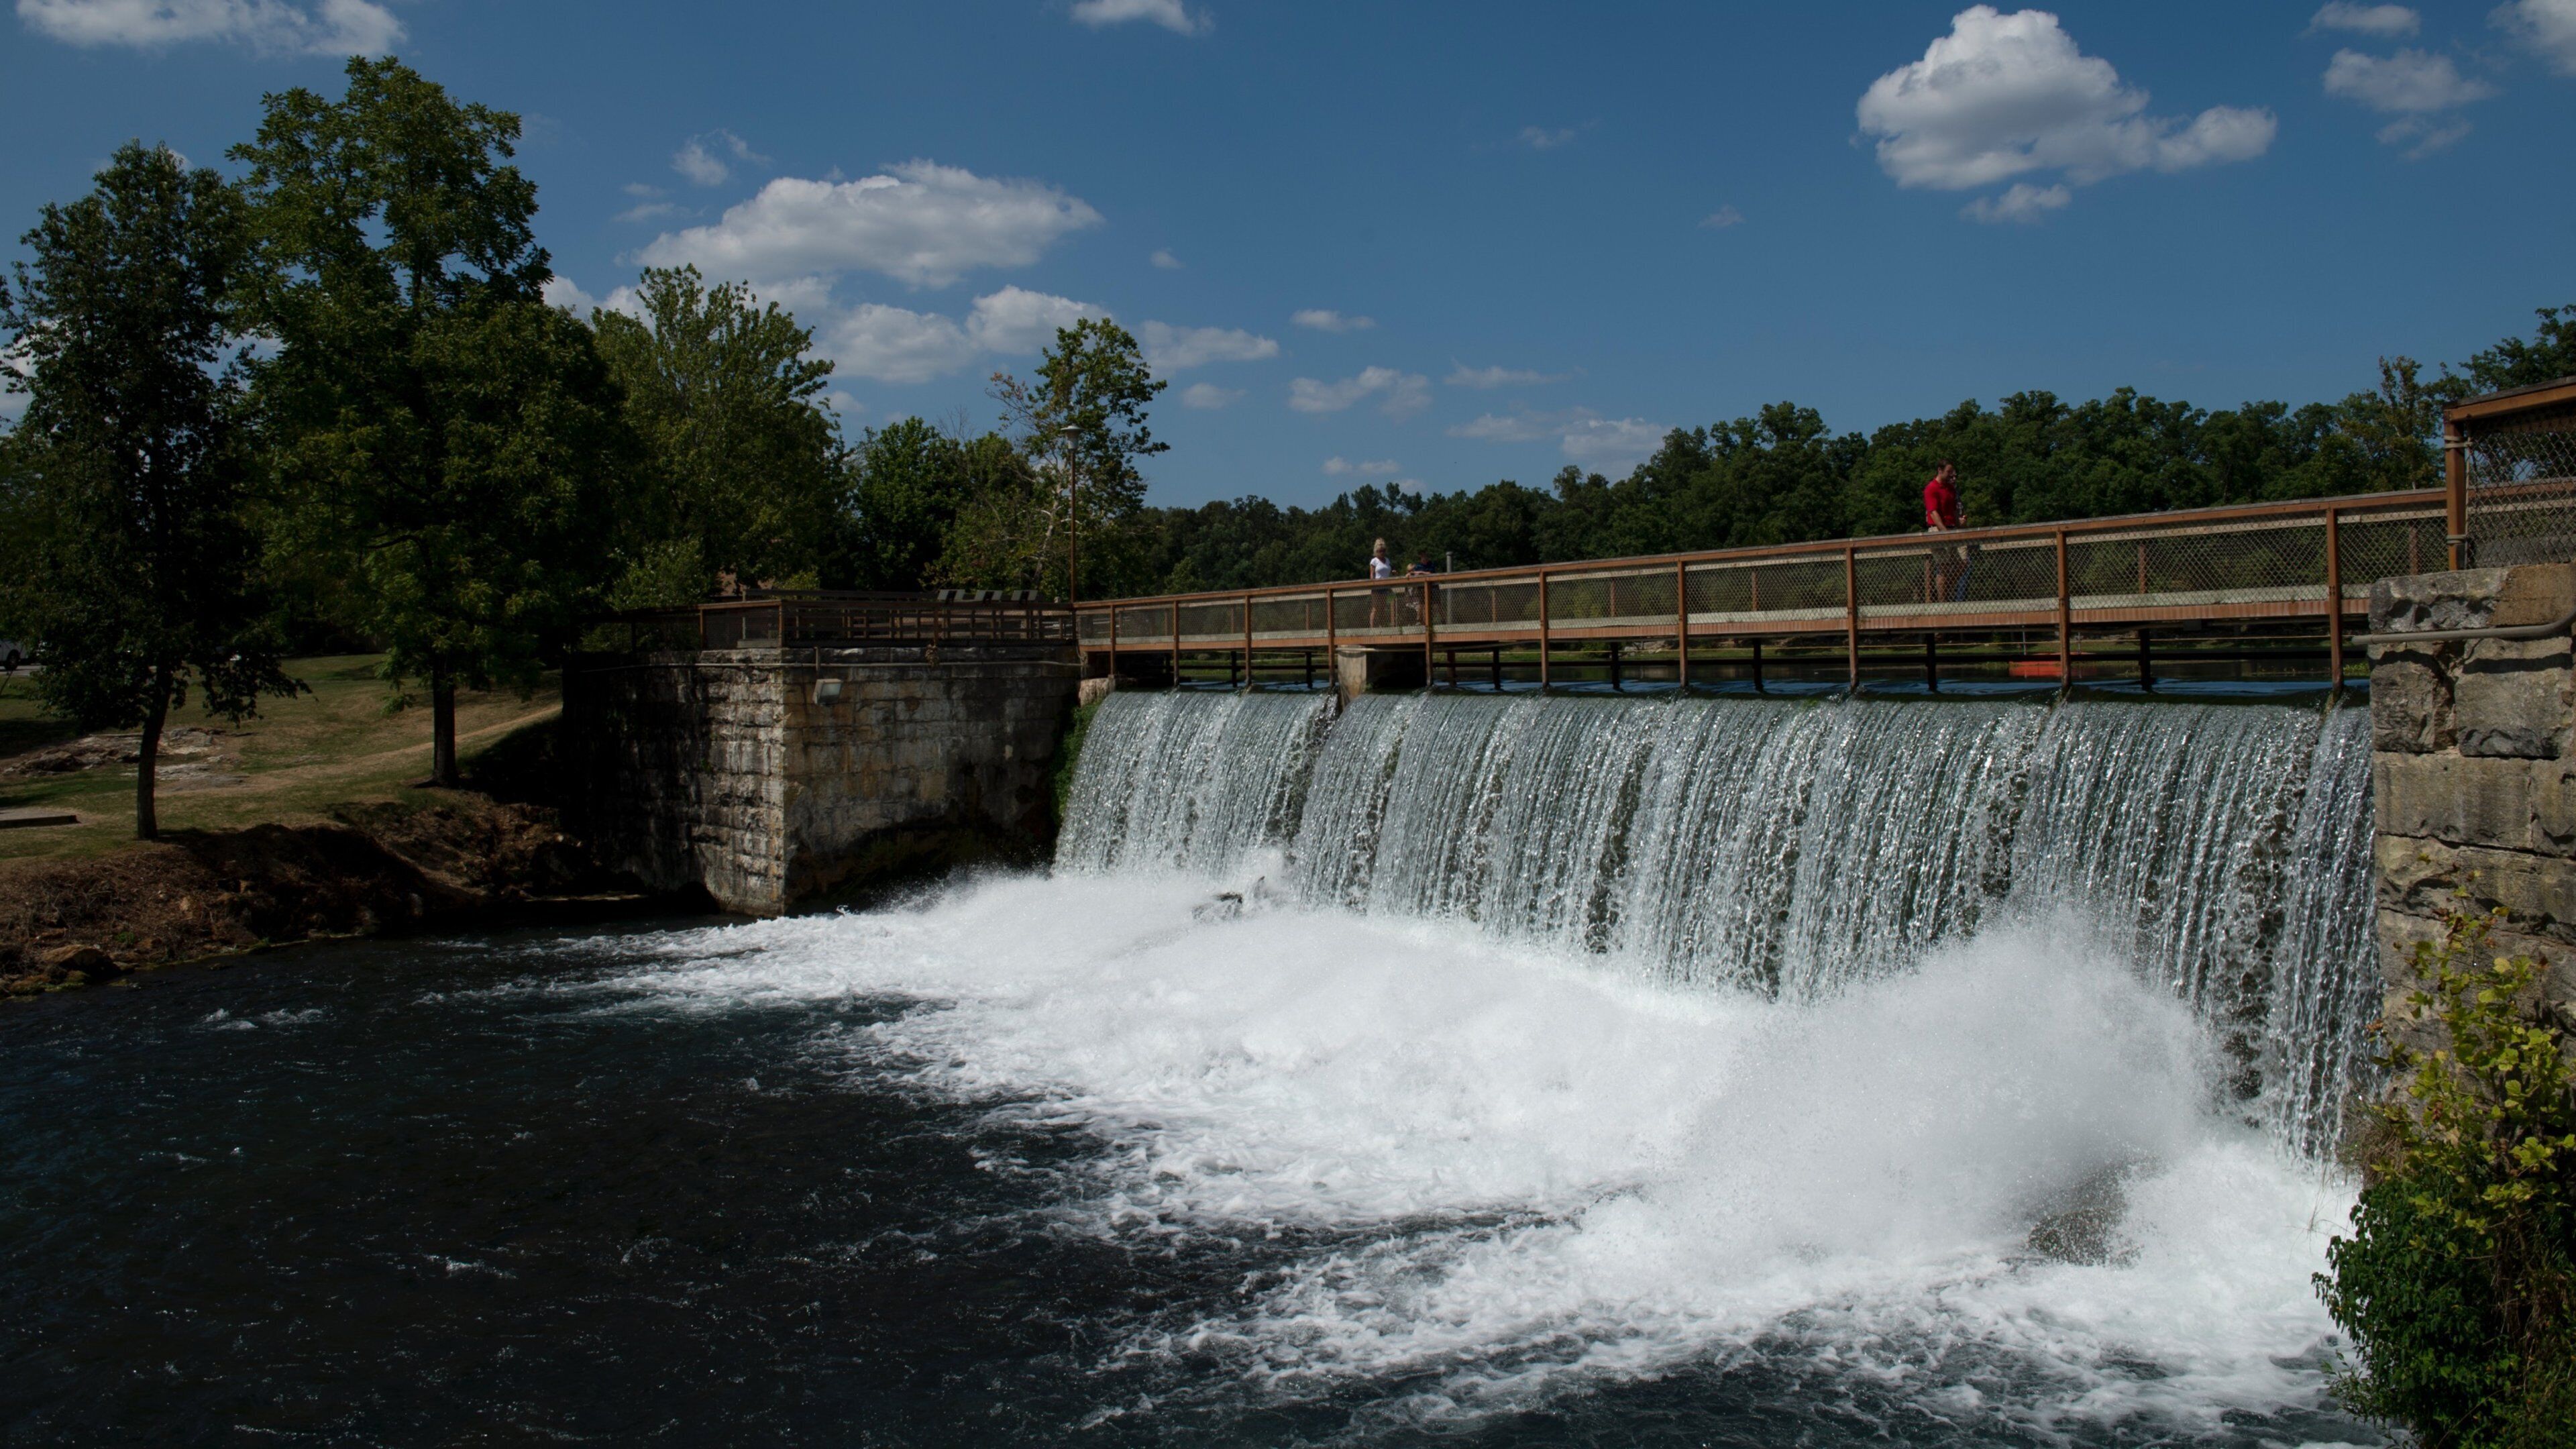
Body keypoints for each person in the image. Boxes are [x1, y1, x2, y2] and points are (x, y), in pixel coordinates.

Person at [1923, 462, 1971, 601]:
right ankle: (1943, 603)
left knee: (1964, 562)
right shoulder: (1931, 488)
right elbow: (1933, 513)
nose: (1951, 475)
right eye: (1949, 472)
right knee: (1943, 567)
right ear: (1940, 470)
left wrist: (1958, 524)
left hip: (1952, 528)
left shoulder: (1951, 489)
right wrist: (1944, 532)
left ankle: (1947, 587)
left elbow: (1954, 511)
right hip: (1938, 530)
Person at [1367, 538, 1395, 626]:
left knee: (1383, 608)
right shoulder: (1374, 561)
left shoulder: (1387, 560)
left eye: (1384, 551)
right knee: (1376, 608)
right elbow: (1372, 574)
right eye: (1380, 551)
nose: (1382, 553)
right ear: (1376, 551)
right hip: (1377, 587)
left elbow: (1388, 572)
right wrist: (1373, 584)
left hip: (1386, 587)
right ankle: (1372, 628)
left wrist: (1393, 572)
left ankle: (1382, 626)